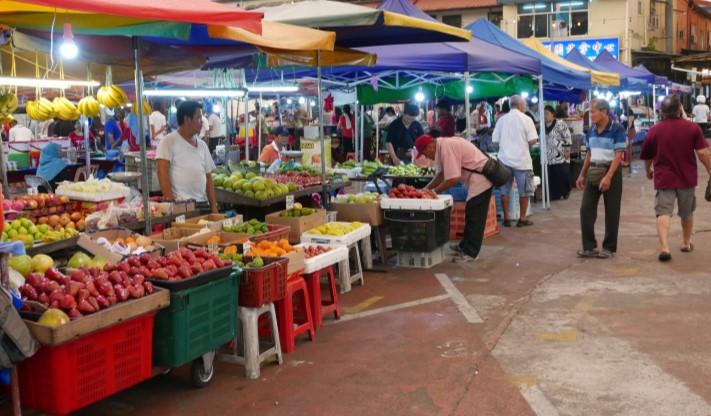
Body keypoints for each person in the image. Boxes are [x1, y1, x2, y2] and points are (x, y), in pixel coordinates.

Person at [640, 95, 711, 262]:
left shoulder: (654, 130)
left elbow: (648, 155)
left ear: (662, 111)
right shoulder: (692, 128)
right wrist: (709, 168)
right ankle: (686, 243)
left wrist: (648, 170)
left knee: (663, 212)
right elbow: (702, 153)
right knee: (687, 212)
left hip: (664, 178)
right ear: (680, 109)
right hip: (686, 178)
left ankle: (665, 247)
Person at [417, 135, 493, 262]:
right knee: (471, 214)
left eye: (425, 153)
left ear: (430, 146)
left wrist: (433, 192)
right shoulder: (442, 147)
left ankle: (471, 253)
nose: (426, 157)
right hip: (476, 179)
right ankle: (465, 247)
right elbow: (441, 175)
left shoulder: (446, 147)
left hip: (481, 179)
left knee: (475, 216)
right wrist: (426, 189)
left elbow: (452, 178)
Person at [575, 99, 625, 259]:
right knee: (586, 209)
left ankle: (609, 248)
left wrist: (609, 177)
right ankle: (588, 246)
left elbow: (619, 155)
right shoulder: (591, 130)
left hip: (611, 171)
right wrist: (582, 174)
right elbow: (589, 153)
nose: (591, 115)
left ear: (604, 112)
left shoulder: (617, 128)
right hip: (593, 171)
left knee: (612, 211)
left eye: (593, 112)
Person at [156, 101, 218, 213]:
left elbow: (209, 177)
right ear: (187, 119)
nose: (202, 122)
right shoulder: (168, 141)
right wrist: (171, 203)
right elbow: (161, 172)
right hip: (181, 206)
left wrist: (214, 206)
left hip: (202, 204)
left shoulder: (202, 145)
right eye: (199, 117)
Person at [492, 95, 538, 227]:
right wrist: (524, 145)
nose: (525, 107)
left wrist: (505, 146)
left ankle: (507, 218)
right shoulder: (527, 119)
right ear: (520, 105)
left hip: (504, 160)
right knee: (525, 191)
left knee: (504, 190)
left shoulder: (501, 120)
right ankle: (522, 219)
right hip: (523, 161)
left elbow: (495, 141)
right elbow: (533, 140)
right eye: (524, 104)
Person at [544, 105, 572, 200]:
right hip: (548, 156)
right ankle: (554, 194)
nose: (545, 116)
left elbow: (567, 136)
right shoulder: (542, 126)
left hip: (560, 154)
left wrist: (567, 149)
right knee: (552, 176)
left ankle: (565, 192)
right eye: (543, 114)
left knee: (562, 174)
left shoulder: (560, 123)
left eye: (547, 113)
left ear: (552, 114)